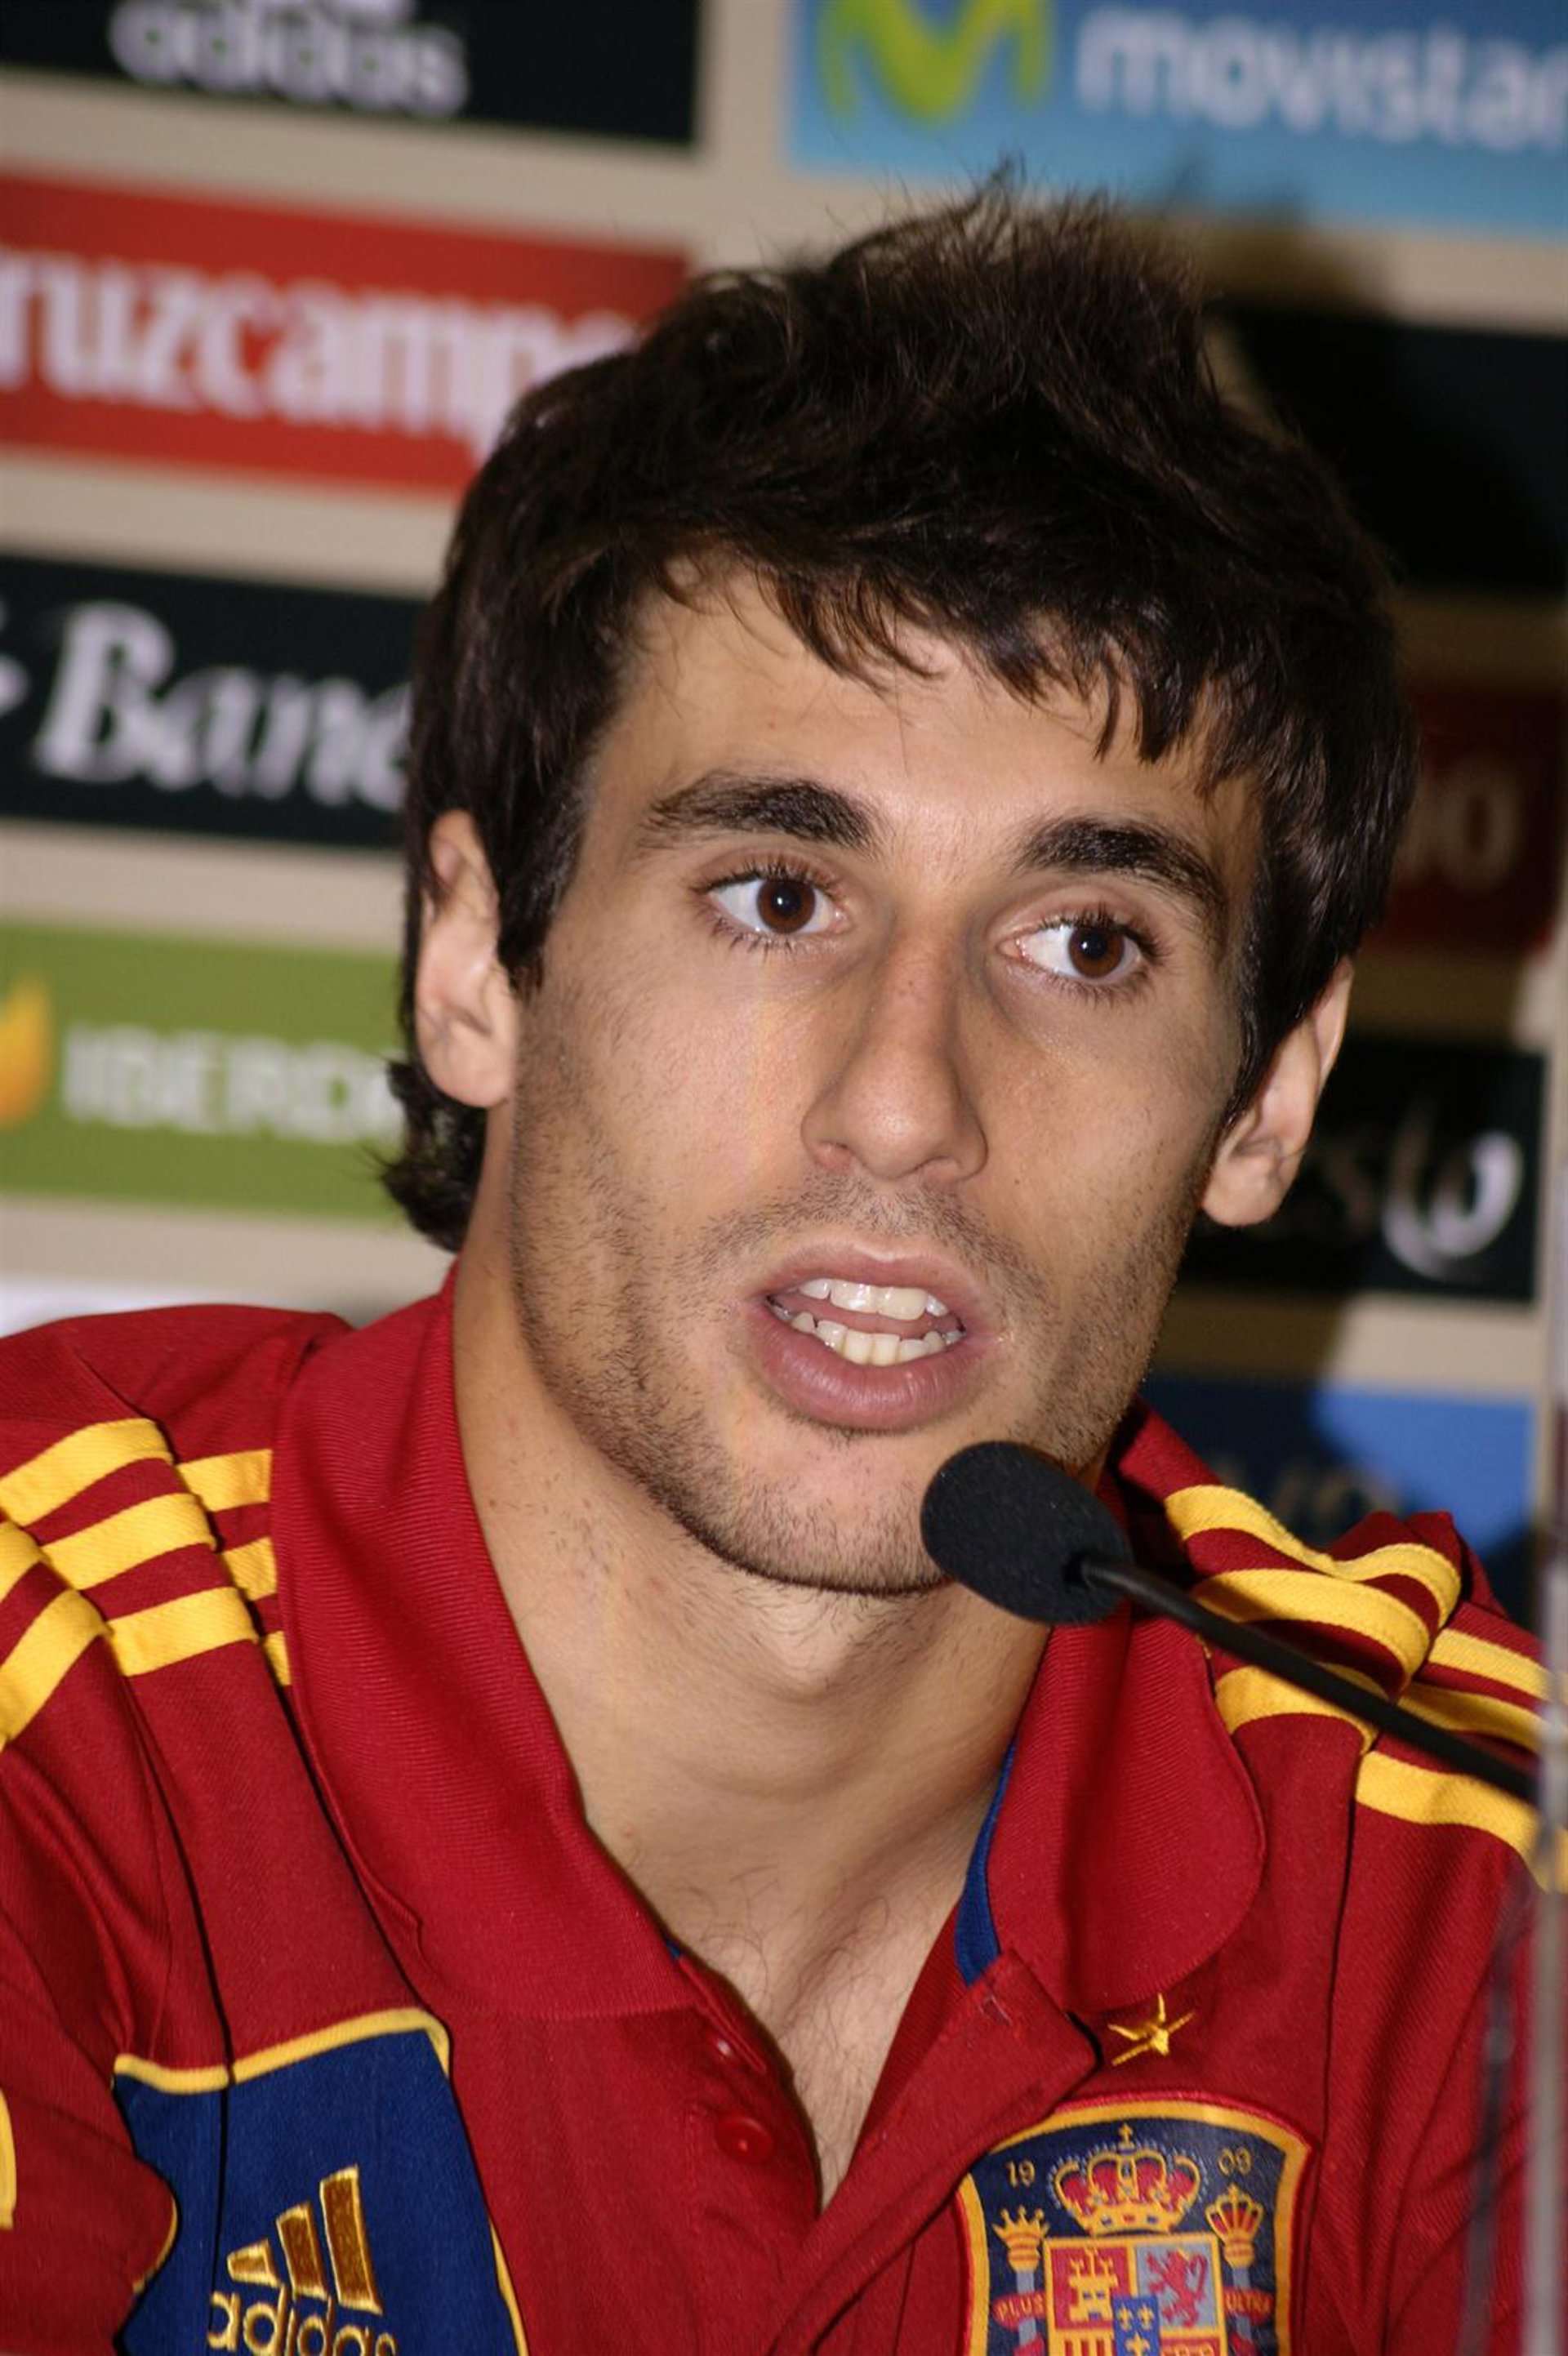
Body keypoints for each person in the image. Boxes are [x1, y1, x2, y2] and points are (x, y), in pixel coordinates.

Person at [0, 181, 1546, 2356]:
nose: (905, 1105)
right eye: (775, 897)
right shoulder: (62, 1687)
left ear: (1270, 1097)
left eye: (1086, 943)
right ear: (477, 958)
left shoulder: (1450, 1847)